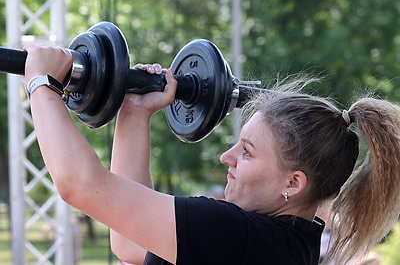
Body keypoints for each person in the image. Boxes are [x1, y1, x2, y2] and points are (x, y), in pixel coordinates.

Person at [23, 44, 400, 265]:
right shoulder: (281, 243)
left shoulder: (242, 237)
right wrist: (135, 113)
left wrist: (42, 83)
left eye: (248, 153)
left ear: (293, 182)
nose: (226, 157)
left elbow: (79, 185)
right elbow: (131, 241)